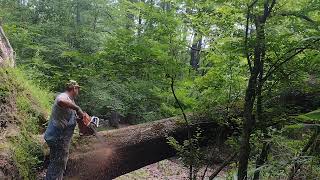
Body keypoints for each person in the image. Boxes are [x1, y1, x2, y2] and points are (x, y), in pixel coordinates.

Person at [44, 80, 85, 180]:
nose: (78, 91)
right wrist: (77, 108)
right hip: (57, 137)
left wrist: (79, 119)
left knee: (58, 163)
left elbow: (69, 117)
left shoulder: (71, 100)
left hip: (61, 138)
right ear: (74, 88)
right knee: (57, 164)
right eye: (77, 88)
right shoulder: (63, 96)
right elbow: (60, 101)